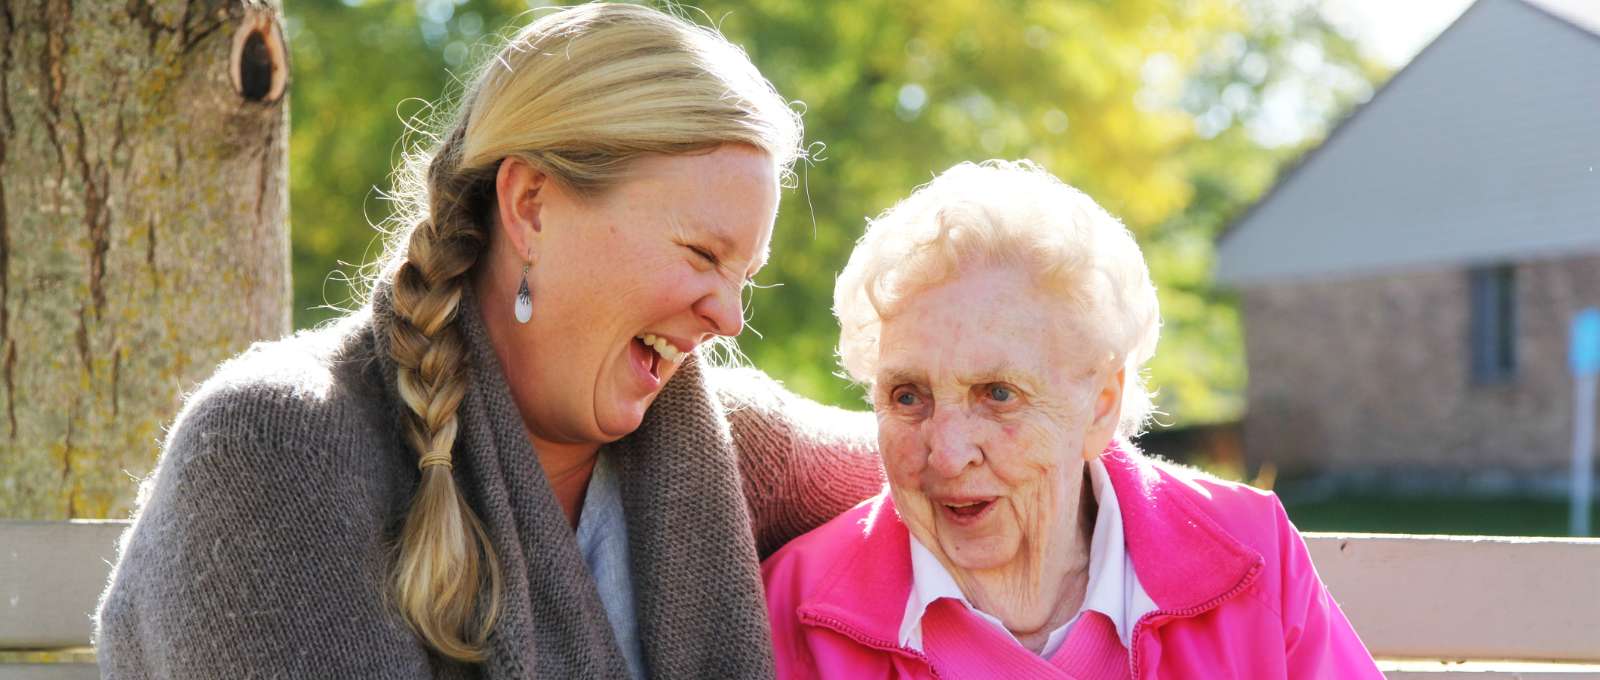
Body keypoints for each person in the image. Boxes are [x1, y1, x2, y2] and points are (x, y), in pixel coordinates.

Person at [95, 5, 884, 678]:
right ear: (533, 204)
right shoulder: (273, 447)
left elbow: (955, 448)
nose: (729, 319)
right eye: (703, 256)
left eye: (745, 274)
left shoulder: (725, 444)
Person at [762, 160, 1383, 678]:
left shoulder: (1247, 553)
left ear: (1101, 405)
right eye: (907, 396)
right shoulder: (797, 610)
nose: (946, 454)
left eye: (998, 393)